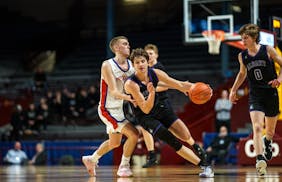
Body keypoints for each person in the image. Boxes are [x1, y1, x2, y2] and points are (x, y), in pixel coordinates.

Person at [124, 48, 214, 177]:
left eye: (143, 61)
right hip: (146, 117)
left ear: (147, 62)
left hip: (160, 108)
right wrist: (152, 93)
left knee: (184, 133)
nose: (140, 64)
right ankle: (205, 166)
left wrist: (198, 87)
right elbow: (145, 109)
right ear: (133, 65)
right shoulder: (131, 84)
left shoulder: (156, 73)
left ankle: (197, 149)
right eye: (137, 62)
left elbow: (178, 84)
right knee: (173, 141)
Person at [229, 23, 282, 176]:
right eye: (242, 38)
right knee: (257, 127)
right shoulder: (242, 56)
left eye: (245, 38)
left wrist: (279, 78)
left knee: (270, 131)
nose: (243, 41)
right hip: (255, 95)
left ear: (254, 38)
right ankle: (260, 161)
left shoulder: (267, 50)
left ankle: (268, 142)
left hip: (271, 93)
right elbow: (241, 74)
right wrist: (233, 90)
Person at [82, 36, 139, 177]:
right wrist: (131, 98)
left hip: (119, 109)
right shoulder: (107, 65)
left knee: (115, 143)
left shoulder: (131, 65)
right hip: (107, 109)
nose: (128, 46)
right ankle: (124, 166)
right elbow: (113, 91)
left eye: (128, 44)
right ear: (116, 48)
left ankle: (91, 159)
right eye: (125, 44)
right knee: (134, 134)